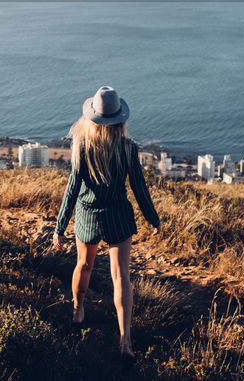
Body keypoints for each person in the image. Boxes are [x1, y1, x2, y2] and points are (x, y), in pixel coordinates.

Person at [52, 85, 161, 357]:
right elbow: (139, 187)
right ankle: (126, 343)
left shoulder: (82, 146)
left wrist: (60, 227)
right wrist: (152, 217)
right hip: (117, 216)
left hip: (88, 214)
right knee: (121, 276)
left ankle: (78, 313)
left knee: (84, 265)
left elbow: (72, 188)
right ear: (119, 119)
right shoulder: (127, 148)